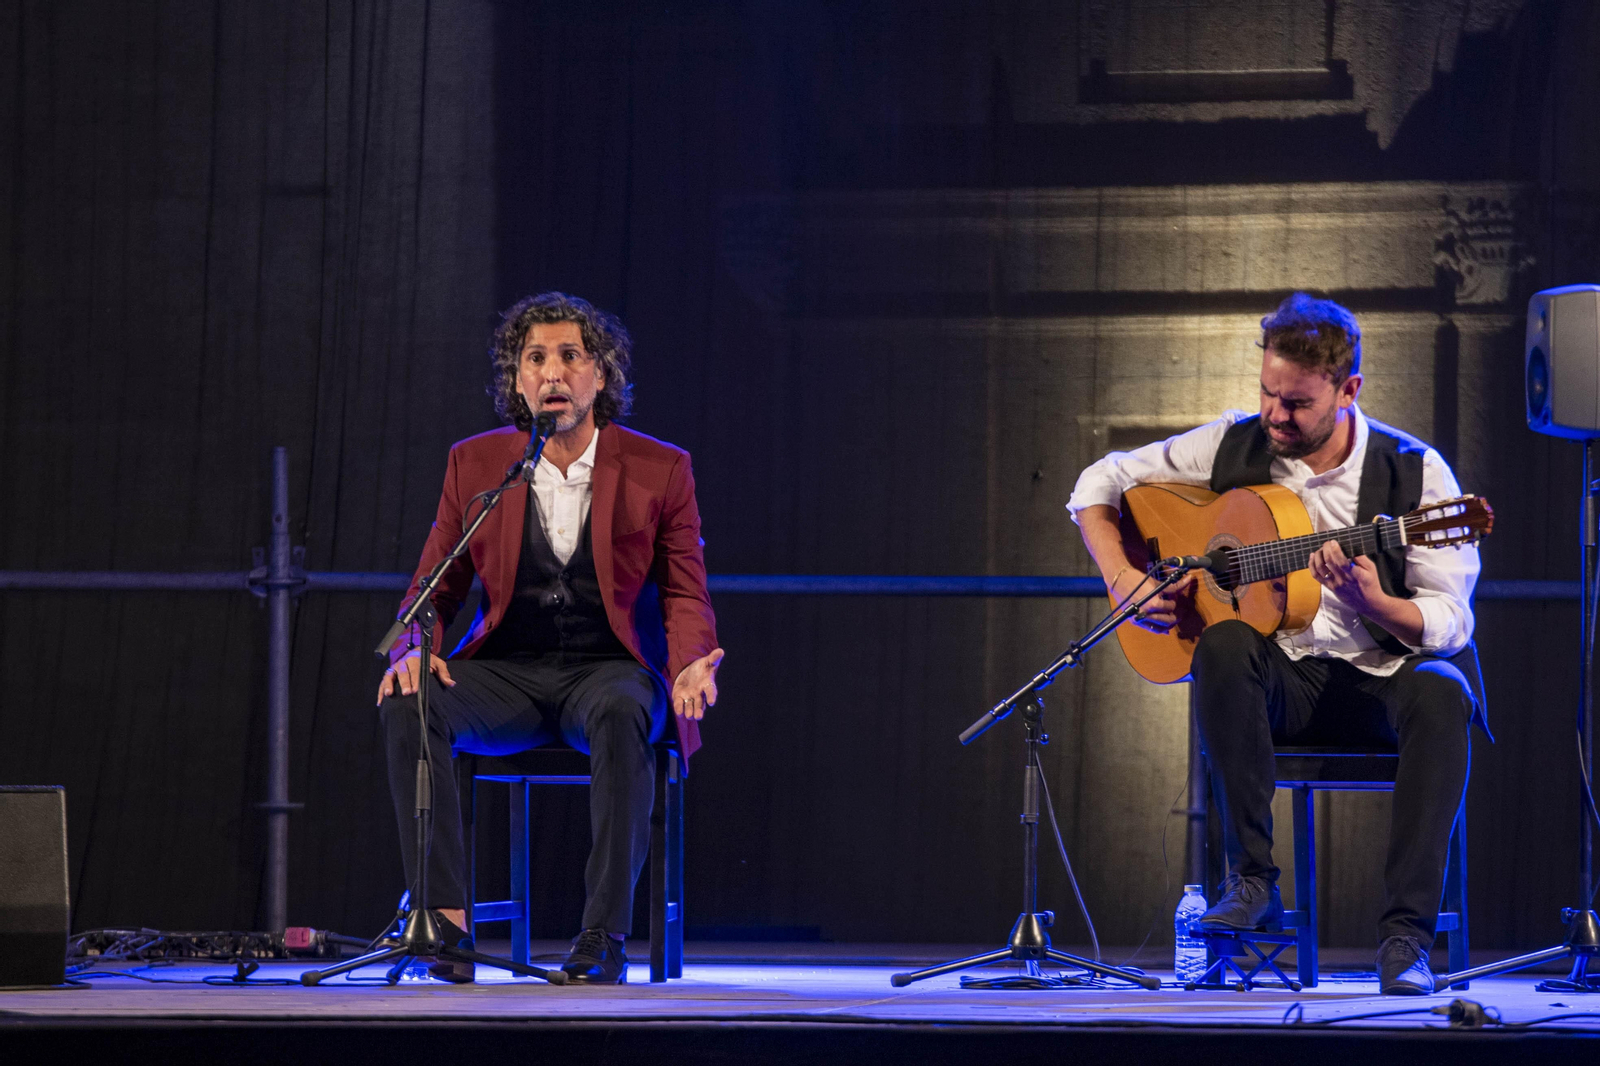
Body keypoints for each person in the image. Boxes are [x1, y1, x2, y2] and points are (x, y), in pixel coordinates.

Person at [1067, 293, 1483, 995]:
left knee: (1446, 692)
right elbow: (1097, 481)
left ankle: (1405, 937)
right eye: (1267, 393)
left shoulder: (1418, 475)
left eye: (1297, 403)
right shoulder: (1236, 442)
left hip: (1378, 681)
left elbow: (1450, 619)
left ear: (1348, 391)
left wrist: (1373, 600)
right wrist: (1124, 581)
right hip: (1282, 684)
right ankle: (1253, 882)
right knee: (1225, 643)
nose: (1276, 415)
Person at [376, 292, 722, 984]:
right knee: (410, 700)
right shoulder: (476, 465)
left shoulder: (661, 468)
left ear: (602, 374)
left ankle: (603, 937)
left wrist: (688, 665)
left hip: (608, 671)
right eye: (535, 359)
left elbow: (685, 588)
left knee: (625, 708)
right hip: (511, 674)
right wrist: (412, 649)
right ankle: (445, 926)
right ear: (516, 378)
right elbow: (433, 584)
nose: (553, 373)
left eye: (571, 356)